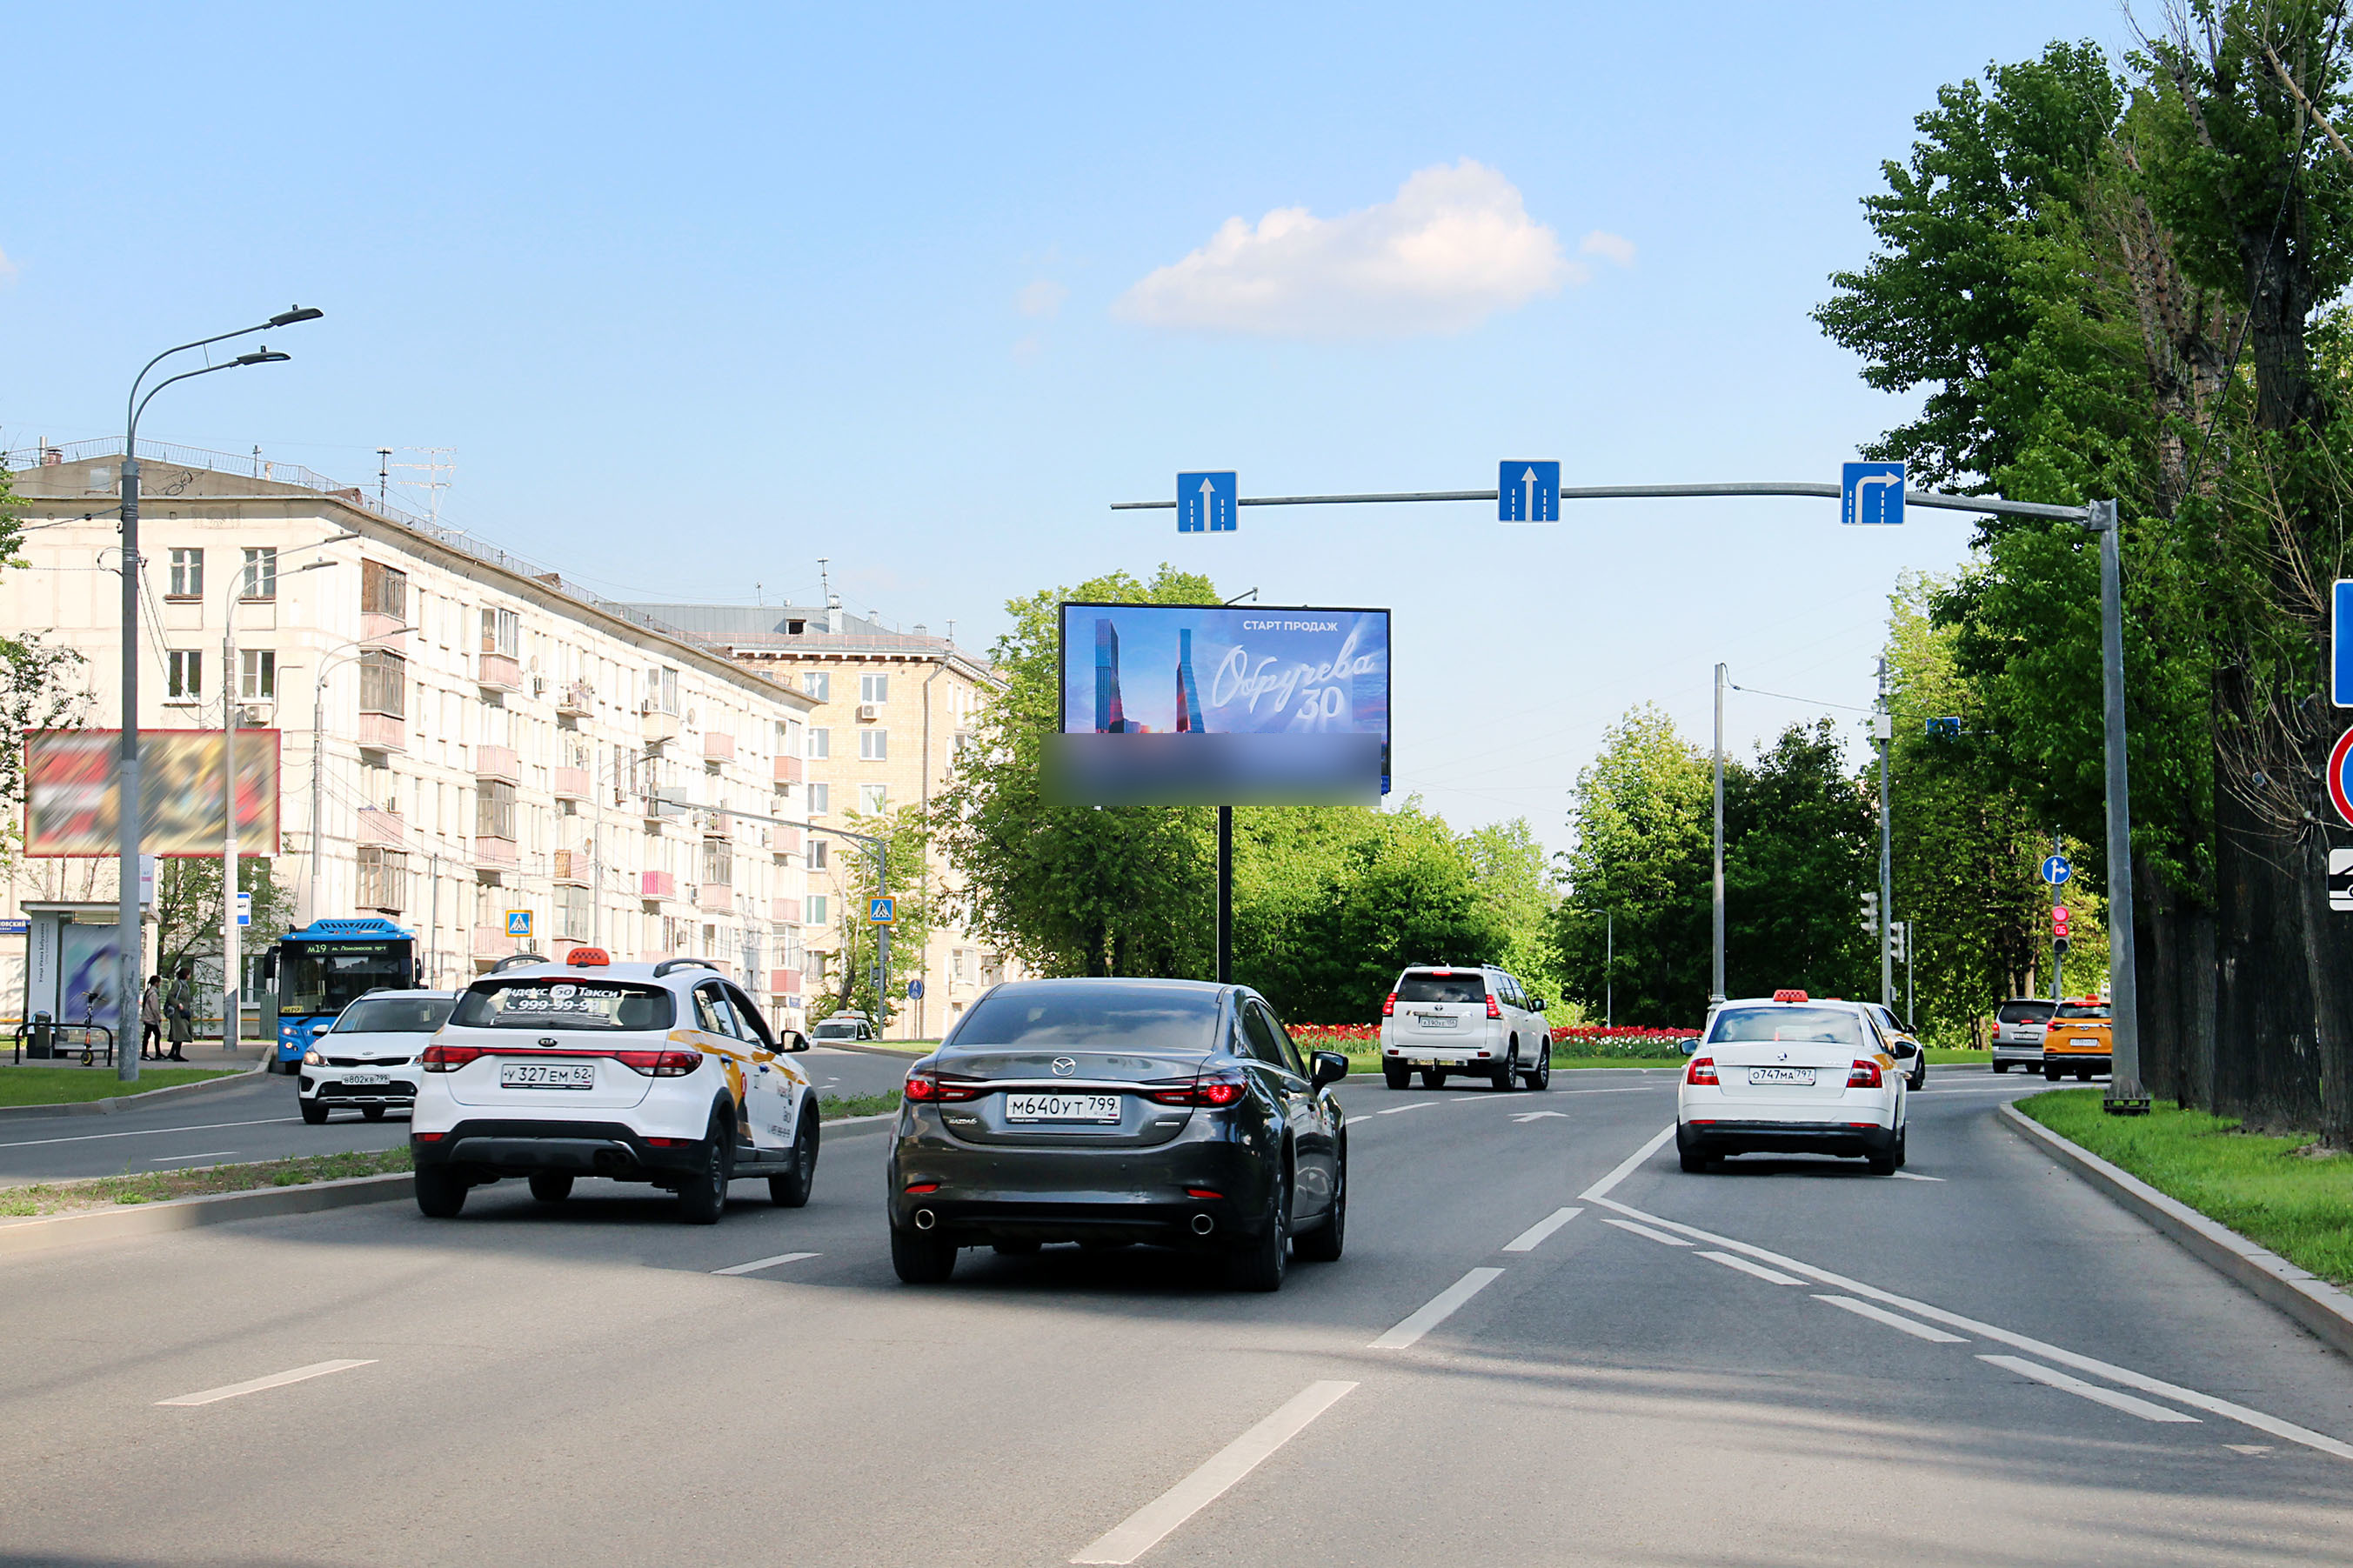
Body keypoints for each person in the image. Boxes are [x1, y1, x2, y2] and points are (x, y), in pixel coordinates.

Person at [165, 965, 196, 1062]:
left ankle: (175, 1053)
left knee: (182, 1033)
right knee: (179, 1033)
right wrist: (178, 1004)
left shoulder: (185, 986)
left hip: (184, 1013)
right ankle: (174, 1054)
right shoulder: (177, 984)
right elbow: (170, 996)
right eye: (189, 974)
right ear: (186, 975)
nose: (190, 976)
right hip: (178, 1013)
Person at [140, 975, 163, 1059]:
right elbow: (155, 1008)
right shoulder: (153, 994)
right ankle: (156, 1053)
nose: (160, 984)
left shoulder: (148, 992)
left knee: (147, 1036)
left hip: (147, 1017)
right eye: (159, 982)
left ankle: (145, 1053)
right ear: (156, 983)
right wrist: (158, 1017)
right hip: (151, 1019)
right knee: (157, 1035)